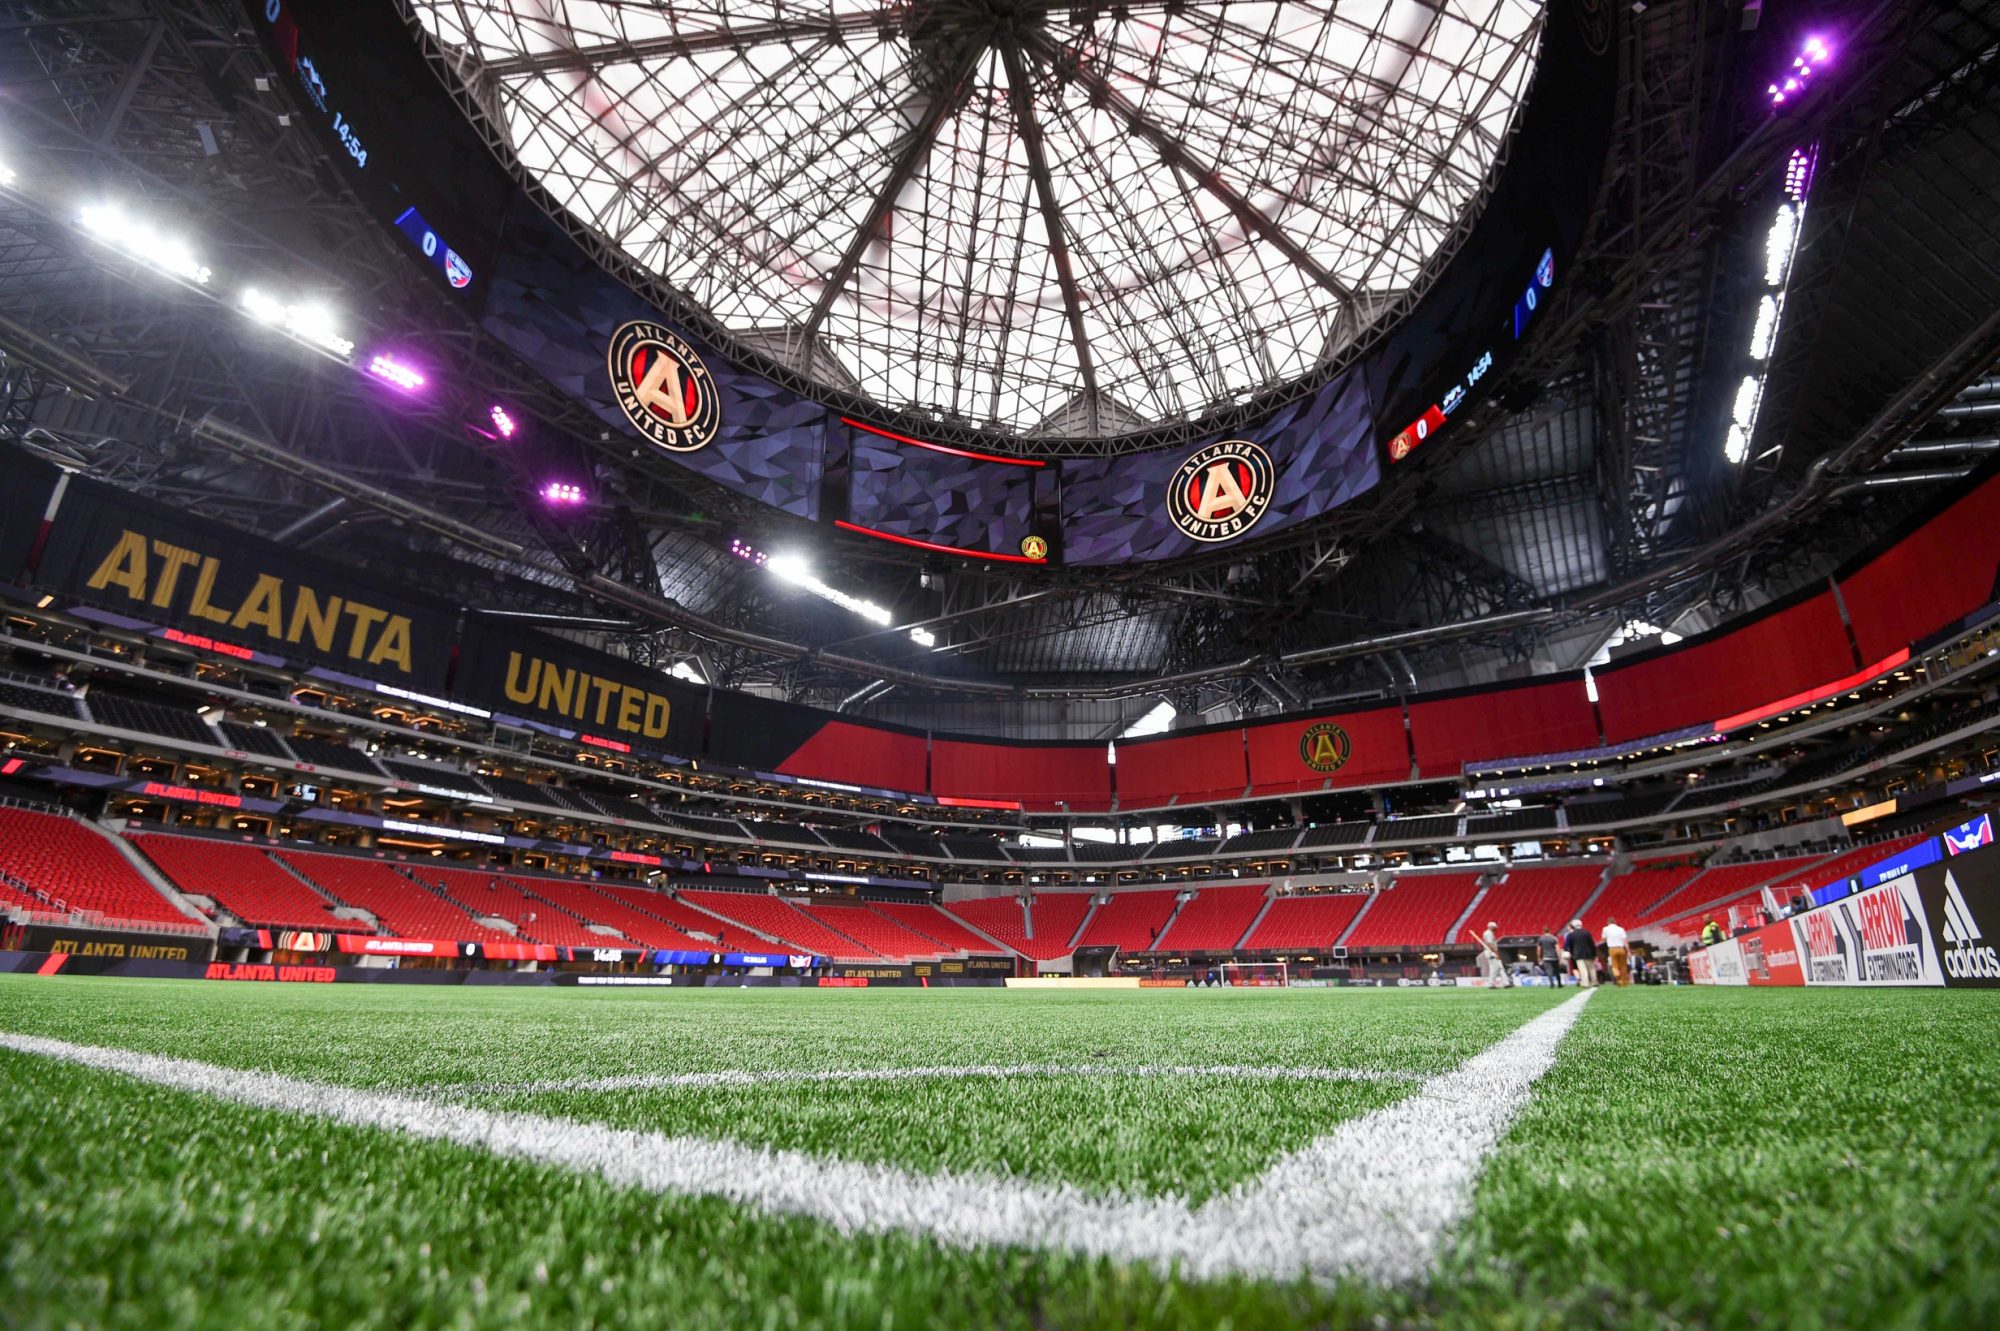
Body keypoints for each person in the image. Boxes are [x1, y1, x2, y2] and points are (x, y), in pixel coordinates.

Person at [1563, 918, 1598, 988]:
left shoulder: (1571, 934)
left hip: (1578, 954)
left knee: (1583, 969)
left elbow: (1567, 946)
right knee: (1591, 968)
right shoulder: (1587, 932)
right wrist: (1595, 954)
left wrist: (1569, 952)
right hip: (1589, 953)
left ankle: (1585, 983)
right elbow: (1592, 944)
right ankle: (1594, 982)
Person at [1478, 920, 1512, 988]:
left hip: (1491, 952)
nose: (1496, 928)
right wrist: (1496, 953)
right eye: (1495, 927)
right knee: (1495, 969)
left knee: (1500, 968)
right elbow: (1490, 944)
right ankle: (1492, 984)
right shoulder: (1488, 933)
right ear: (1491, 927)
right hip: (1491, 952)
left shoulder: (1489, 933)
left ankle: (1506, 983)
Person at [1602, 917, 1631, 987]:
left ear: (1608, 922)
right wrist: (1628, 950)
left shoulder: (1605, 929)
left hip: (1612, 949)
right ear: (1615, 922)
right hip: (1621, 948)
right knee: (1623, 965)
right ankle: (1624, 982)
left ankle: (1618, 978)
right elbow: (1625, 940)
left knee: (1615, 965)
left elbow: (1603, 939)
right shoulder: (1621, 929)